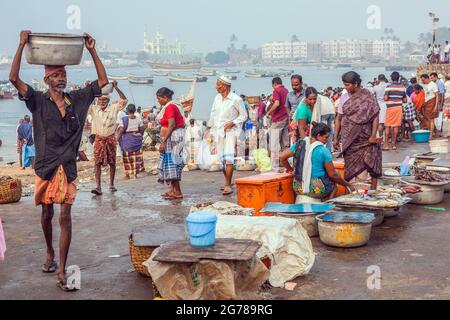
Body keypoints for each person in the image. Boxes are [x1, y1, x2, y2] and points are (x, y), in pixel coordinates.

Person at [9, 30, 107, 291]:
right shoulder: (37, 101)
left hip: (68, 166)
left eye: (63, 74)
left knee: (65, 215)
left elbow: (103, 80)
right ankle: (50, 252)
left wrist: (91, 50)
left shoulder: (77, 100)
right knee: (46, 213)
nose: (61, 78)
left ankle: (62, 268)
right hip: (45, 166)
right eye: (56, 75)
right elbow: (13, 78)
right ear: (47, 79)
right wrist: (21, 45)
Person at [280, 122, 355, 200]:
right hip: (317, 190)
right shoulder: (323, 151)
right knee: (335, 181)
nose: (326, 140)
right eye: (326, 137)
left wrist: (291, 170)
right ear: (318, 135)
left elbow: (282, 157)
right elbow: (333, 175)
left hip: (298, 187)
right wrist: (347, 184)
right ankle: (328, 204)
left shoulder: (299, 144)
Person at [334, 71, 382, 190]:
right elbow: (339, 118)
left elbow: (375, 116)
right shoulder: (344, 98)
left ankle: (370, 191)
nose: (345, 87)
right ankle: (352, 192)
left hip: (365, 138)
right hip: (349, 139)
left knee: (369, 163)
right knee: (350, 166)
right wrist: (335, 138)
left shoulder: (368, 96)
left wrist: (373, 135)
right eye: (344, 85)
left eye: (347, 85)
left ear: (356, 84)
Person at [208, 75, 247, 195]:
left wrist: (233, 122)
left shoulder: (236, 99)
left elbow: (244, 115)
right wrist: (209, 129)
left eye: (218, 85)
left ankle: (227, 184)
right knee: (221, 160)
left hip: (231, 132)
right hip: (218, 131)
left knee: (229, 159)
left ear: (225, 86)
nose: (216, 87)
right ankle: (227, 182)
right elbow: (213, 114)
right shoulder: (217, 98)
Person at [89, 80, 127, 195]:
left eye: (104, 100)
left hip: (110, 139)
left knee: (112, 162)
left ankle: (111, 184)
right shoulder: (94, 109)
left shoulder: (114, 108)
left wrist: (116, 88)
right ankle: (98, 186)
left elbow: (124, 100)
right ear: (97, 100)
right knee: (97, 163)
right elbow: (85, 102)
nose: (102, 101)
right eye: (100, 100)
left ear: (108, 101)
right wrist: (89, 89)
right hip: (99, 139)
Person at [154, 88, 187, 200]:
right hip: (171, 137)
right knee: (169, 163)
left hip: (175, 137)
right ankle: (172, 190)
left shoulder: (170, 107)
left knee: (173, 163)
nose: (158, 101)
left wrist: (163, 141)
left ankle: (177, 192)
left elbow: (171, 125)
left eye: (159, 99)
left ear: (165, 98)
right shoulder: (169, 107)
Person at [266, 77, 289, 169]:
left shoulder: (276, 90)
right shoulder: (286, 90)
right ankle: (287, 164)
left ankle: (274, 165)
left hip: (277, 119)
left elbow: (277, 103)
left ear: (274, 84)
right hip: (286, 118)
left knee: (274, 144)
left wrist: (268, 112)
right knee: (285, 143)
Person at [117, 104, 146, 179]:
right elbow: (142, 129)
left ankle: (128, 174)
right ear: (134, 110)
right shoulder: (139, 119)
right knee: (136, 157)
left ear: (127, 110)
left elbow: (121, 129)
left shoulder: (124, 119)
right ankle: (135, 173)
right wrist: (139, 135)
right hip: (136, 140)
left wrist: (117, 138)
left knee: (127, 157)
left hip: (127, 140)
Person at [383, 72, 407, 150]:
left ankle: (386, 145)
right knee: (395, 126)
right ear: (398, 78)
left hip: (390, 108)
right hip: (398, 108)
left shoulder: (388, 87)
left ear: (391, 78)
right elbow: (405, 100)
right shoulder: (402, 87)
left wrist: (389, 98)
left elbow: (386, 98)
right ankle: (394, 145)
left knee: (387, 126)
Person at [373, 74, 388, 139]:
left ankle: (381, 138)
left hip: (379, 105)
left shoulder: (375, 87)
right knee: (388, 124)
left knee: (380, 123)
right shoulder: (388, 85)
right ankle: (388, 139)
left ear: (378, 79)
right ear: (385, 78)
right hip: (387, 104)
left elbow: (373, 96)